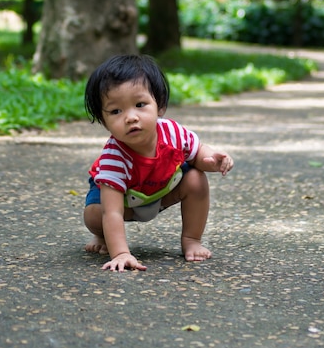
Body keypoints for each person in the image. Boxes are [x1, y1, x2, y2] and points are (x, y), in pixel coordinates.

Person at [83, 54, 234, 272]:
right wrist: (121, 253)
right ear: (103, 121)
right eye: (116, 111)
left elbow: (198, 152)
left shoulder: (172, 133)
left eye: (140, 104)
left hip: (160, 189)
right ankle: (104, 235)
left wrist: (212, 160)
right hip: (124, 200)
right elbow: (113, 212)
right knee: (96, 216)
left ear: (159, 105)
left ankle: (192, 239)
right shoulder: (114, 159)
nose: (131, 117)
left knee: (195, 178)